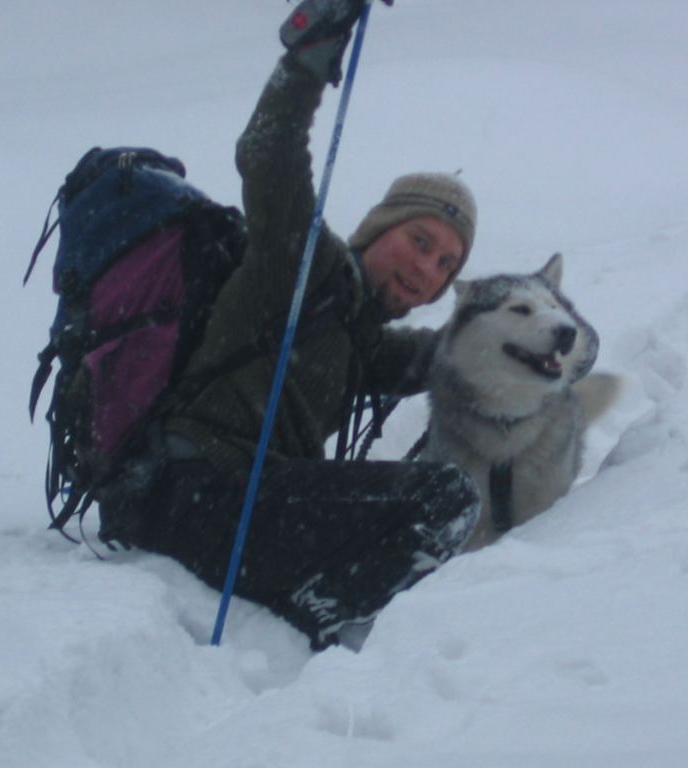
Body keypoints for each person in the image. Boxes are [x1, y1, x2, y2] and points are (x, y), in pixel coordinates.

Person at [97, 0, 480, 650]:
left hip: (229, 502)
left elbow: (449, 356)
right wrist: (310, 53)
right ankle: (315, 626)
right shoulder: (301, 262)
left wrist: (538, 343)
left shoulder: (361, 337)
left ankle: (314, 614)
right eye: (420, 241)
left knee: (437, 494)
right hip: (191, 493)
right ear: (380, 229)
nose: (428, 269)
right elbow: (267, 152)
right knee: (445, 498)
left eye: (447, 264)